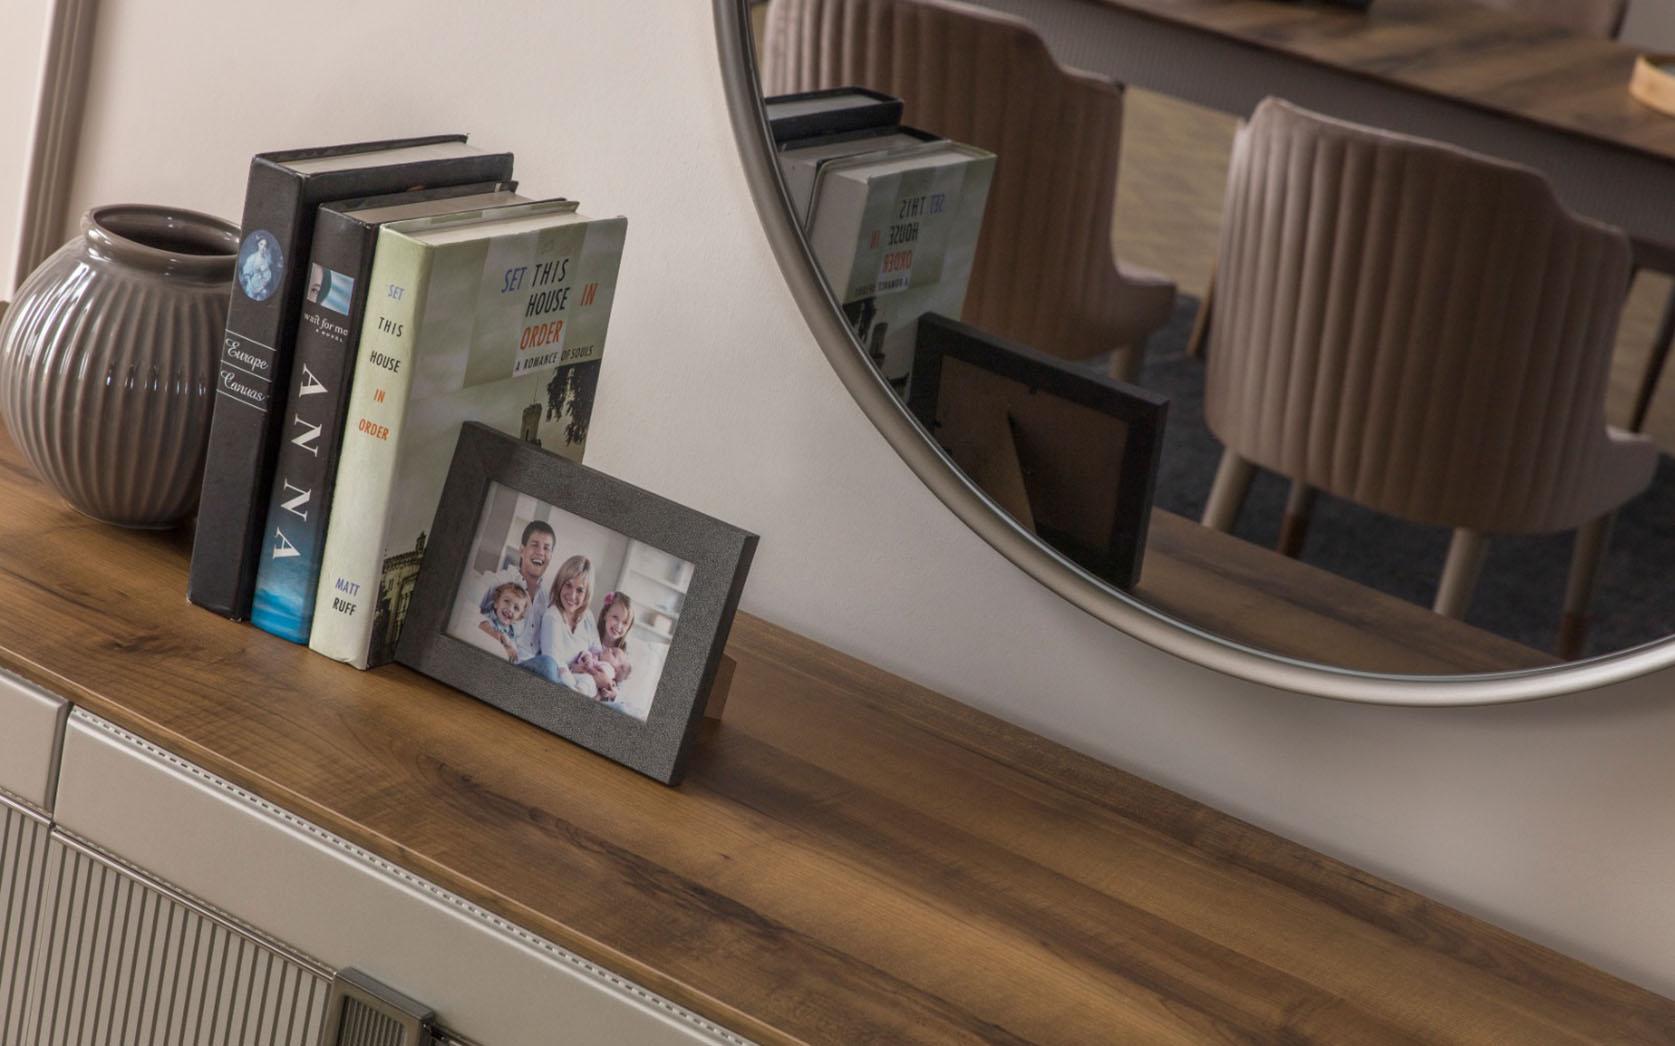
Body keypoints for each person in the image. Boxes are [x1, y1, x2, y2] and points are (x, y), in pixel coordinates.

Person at [478, 521, 556, 663]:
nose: (540, 552)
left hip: (534, 665)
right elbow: (466, 606)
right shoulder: (500, 580)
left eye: (546, 548)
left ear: (551, 556)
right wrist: (496, 635)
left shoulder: (549, 599)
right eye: (535, 545)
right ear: (522, 550)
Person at [520, 555, 599, 691]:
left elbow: (598, 652)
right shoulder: (552, 616)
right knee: (549, 666)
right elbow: (554, 661)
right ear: (560, 584)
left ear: (587, 594)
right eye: (568, 585)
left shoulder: (588, 617)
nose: (572, 595)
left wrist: (589, 665)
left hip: (577, 680)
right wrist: (573, 679)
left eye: (580, 590)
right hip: (557, 676)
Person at [568, 592, 635, 703]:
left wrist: (613, 693)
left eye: (625, 623)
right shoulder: (591, 637)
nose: (619, 626)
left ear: (628, 627)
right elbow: (579, 658)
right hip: (582, 679)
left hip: (601, 696)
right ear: (605, 614)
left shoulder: (623, 656)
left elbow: (621, 691)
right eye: (615, 617)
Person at [477, 582, 529, 662]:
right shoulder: (488, 619)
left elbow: (515, 651)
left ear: (518, 618)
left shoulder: (512, 631)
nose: (510, 609)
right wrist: (506, 645)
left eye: (516, 608)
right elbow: (482, 625)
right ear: (496, 603)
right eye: (507, 601)